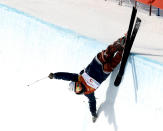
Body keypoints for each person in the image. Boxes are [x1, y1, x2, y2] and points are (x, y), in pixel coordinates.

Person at [48, 36, 126, 122]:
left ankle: (118, 44)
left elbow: (66, 76)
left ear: (76, 82)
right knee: (112, 64)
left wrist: (55, 76)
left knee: (106, 55)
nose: (79, 87)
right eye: (77, 89)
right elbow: (92, 102)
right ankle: (121, 50)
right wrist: (93, 114)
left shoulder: (79, 78)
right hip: (104, 71)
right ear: (78, 92)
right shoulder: (88, 93)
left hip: (97, 62)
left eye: (77, 85)